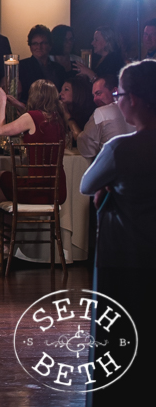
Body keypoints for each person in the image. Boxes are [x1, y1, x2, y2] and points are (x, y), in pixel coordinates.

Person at [79, 60, 155, 406]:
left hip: (123, 258)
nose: (116, 98)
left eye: (119, 93)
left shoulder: (121, 148)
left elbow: (87, 184)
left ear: (134, 100)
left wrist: (107, 189)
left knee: (118, 342)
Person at [0, 80, 67, 205]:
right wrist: (18, 105)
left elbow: (0, 130)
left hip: (36, 189)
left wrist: (2, 103)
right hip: (58, 190)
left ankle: (5, 223)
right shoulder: (58, 117)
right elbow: (36, 118)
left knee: (0, 176)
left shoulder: (31, 117)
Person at [78, 75, 135, 160]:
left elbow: (86, 149)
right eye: (93, 96)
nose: (95, 99)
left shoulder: (101, 113)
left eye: (98, 93)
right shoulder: (137, 110)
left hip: (113, 168)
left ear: (115, 91)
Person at [17, 25, 65, 103]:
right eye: (35, 43)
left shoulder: (59, 69)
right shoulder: (21, 67)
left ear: (50, 45)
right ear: (30, 46)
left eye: (43, 43)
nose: (39, 47)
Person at [59, 75, 94, 141]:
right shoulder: (60, 111)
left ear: (77, 92)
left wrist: (68, 116)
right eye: (61, 90)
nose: (60, 93)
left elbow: (80, 140)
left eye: (66, 89)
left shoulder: (88, 115)